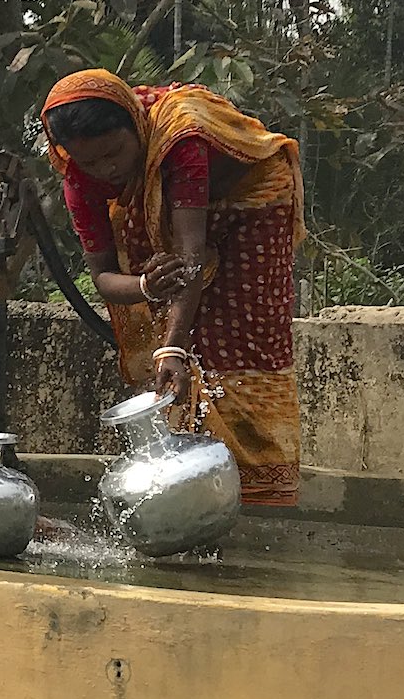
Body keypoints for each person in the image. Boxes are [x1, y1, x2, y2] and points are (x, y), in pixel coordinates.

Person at [41, 68, 303, 507]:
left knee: (235, 340)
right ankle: (198, 483)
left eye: (115, 153)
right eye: (92, 162)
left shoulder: (181, 136)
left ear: (135, 123)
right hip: (178, 219)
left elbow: (190, 256)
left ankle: (255, 487)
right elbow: (105, 278)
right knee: (179, 331)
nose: (108, 169)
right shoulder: (80, 180)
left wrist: (172, 348)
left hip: (252, 200)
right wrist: (146, 285)